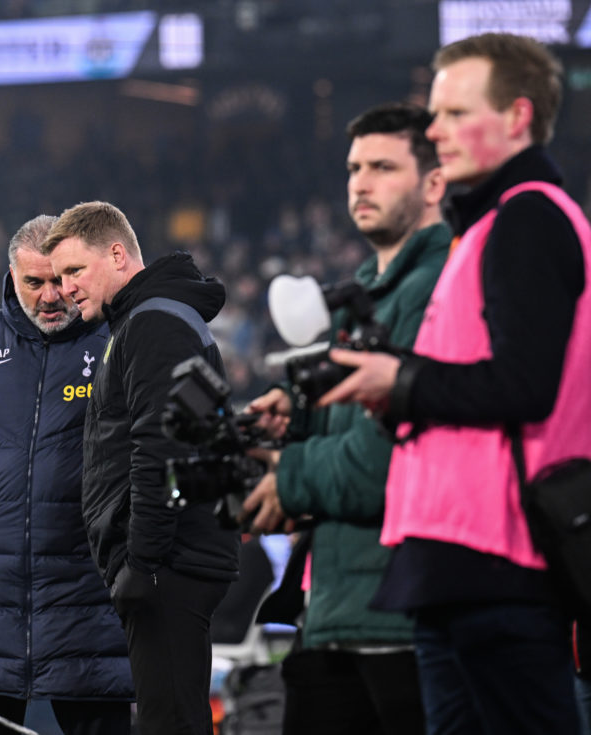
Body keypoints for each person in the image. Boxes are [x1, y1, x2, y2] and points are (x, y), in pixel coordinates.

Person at [320, 33, 588, 734]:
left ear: (518, 117)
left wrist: (401, 380)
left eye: (453, 112)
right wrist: (394, 392)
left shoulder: (527, 217)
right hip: (456, 555)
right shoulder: (489, 226)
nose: (434, 130)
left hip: (499, 552)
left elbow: (525, 385)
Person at [240, 102, 449, 735]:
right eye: (355, 166)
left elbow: (383, 464)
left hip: (404, 619)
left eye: (384, 166)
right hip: (335, 610)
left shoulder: (439, 287)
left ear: (434, 182)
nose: (360, 182)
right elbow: (353, 433)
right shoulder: (359, 295)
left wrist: (287, 474)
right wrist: (299, 420)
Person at [0, 215, 133, 735]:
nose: (50, 295)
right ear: (11, 276)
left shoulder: (113, 340)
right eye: (33, 282)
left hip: (86, 606)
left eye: (58, 279)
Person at [42, 201, 238, 735]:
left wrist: (143, 563)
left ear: (117, 253)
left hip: (167, 565)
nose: (64, 288)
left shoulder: (152, 322)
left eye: (75, 271)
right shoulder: (153, 317)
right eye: (59, 277)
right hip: (171, 561)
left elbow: (162, 447)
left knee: (169, 722)